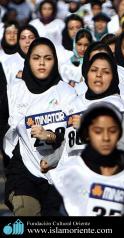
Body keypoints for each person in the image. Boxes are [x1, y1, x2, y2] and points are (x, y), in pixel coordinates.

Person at [2, 38, 77, 216]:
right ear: (28, 61)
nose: (42, 63)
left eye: (47, 58)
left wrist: (51, 137)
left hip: (59, 171)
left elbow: (75, 135)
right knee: (27, 211)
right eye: (36, 58)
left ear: (55, 61)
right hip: (23, 169)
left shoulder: (67, 92)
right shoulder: (14, 90)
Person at [49, 102, 124, 216]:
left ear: (119, 134)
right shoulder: (69, 173)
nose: (106, 138)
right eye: (98, 131)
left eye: (112, 131)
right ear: (87, 134)